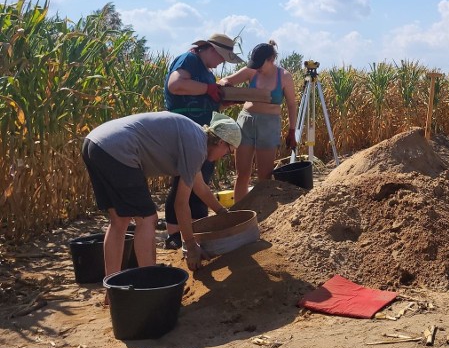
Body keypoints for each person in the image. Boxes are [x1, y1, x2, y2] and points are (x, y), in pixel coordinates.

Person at [81, 111, 242, 286]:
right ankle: (151, 284)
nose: (224, 157)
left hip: (95, 143)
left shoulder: (194, 138)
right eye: (228, 152)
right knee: (148, 219)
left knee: (119, 221)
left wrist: (221, 212)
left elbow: (200, 188)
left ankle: (111, 288)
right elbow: (180, 204)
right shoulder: (196, 147)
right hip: (119, 149)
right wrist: (190, 244)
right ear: (220, 142)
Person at [162, 33, 242, 249]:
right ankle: (176, 236)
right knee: (184, 185)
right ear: (211, 50)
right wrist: (209, 89)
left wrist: (222, 101)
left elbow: (201, 99)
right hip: (187, 132)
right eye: (221, 58)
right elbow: (176, 85)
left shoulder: (204, 71)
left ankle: (193, 230)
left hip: (205, 135)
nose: (220, 63)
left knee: (198, 182)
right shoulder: (189, 60)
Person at [219, 41, 298, 202]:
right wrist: (225, 85)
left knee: (265, 176)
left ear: (271, 59)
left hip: (269, 125)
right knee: (242, 173)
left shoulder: (284, 76)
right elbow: (225, 80)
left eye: (260, 64)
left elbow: (291, 104)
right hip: (246, 122)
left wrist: (292, 130)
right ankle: (240, 210)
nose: (257, 67)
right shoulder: (251, 71)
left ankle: (263, 213)